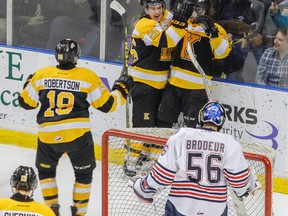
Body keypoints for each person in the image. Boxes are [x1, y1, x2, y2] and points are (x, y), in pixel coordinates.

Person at [18, 38, 134, 216]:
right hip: (77, 137)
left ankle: (52, 211)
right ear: (76, 56)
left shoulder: (42, 74)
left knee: (46, 171)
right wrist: (122, 89)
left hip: (48, 137)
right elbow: (108, 106)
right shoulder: (87, 76)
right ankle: (79, 213)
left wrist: (28, 84)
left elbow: (26, 103)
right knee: (84, 175)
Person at [133, 101, 260, 216]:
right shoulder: (230, 143)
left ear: (201, 117)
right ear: (221, 122)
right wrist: (247, 185)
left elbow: (163, 175)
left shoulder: (181, 136)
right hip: (215, 210)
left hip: (181, 206)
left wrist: (144, 188)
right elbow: (239, 182)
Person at [124, 0, 194, 176]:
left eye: (159, 7)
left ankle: (145, 160)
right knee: (143, 127)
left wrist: (186, 15)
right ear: (146, 9)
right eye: (152, 8)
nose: (156, 11)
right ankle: (130, 164)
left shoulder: (163, 19)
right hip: (144, 85)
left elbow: (184, 22)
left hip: (161, 85)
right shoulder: (144, 24)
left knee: (155, 127)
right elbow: (166, 40)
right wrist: (179, 21)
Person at [156, 1, 231, 129]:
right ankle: (161, 149)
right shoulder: (180, 23)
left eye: (197, 8)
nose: (193, 11)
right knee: (162, 124)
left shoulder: (216, 28)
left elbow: (222, 53)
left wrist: (213, 33)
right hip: (174, 84)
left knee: (193, 130)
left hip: (198, 89)